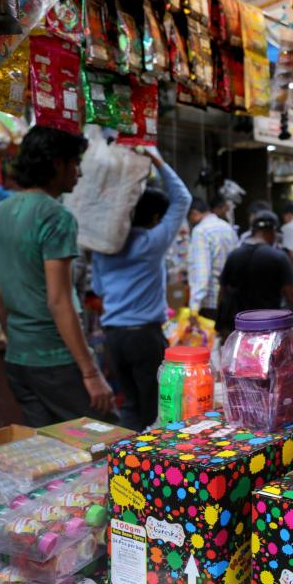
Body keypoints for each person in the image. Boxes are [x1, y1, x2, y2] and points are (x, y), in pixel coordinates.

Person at [0, 126, 116, 427]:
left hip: (19, 360)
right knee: (109, 442)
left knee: (48, 451)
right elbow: (59, 301)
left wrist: (17, 341)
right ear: (57, 163)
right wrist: (90, 371)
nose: (79, 173)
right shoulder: (57, 216)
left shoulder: (0, 211)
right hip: (56, 359)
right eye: (75, 163)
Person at [91, 150, 192, 431]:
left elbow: (98, 288)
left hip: (113, 338)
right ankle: (151, 467)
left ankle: (127, 465)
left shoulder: (103, 248)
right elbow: (183, 198)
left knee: (131, 404)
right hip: (144, 338)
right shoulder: (151, 242)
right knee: (156, 407)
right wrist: (157, 160)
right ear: (156, 216)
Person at [216, 211, 293, 340]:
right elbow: (290, 294)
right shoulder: (279, 257)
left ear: (253, 230)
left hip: (239, 328)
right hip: (269, 328)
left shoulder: (234, 255)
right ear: (272, 232)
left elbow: (222, 291)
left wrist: (220, 322)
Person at [187, 195, 239, 321]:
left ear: (194, 213)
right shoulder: (227, 227)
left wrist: (194, 306)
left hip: (210, 301)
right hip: (230, 298)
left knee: (211, 339)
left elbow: (202, 271)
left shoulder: (200, 231)